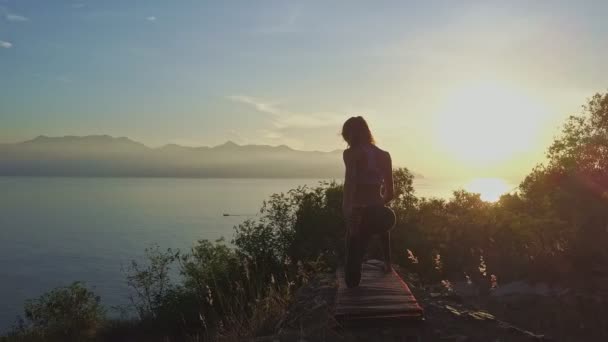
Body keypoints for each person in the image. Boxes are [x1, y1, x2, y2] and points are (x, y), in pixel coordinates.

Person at [341, 116, 396, 288]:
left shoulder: (350, 154)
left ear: (348, 134)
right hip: (384, 217)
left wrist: (347, 210)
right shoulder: (384, 155)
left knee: (351, 278)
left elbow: (350, 184)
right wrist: (377, 204)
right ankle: (388, 263)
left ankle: (355, 269)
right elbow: (390, 193)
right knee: (380, 214)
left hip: (360, 214)